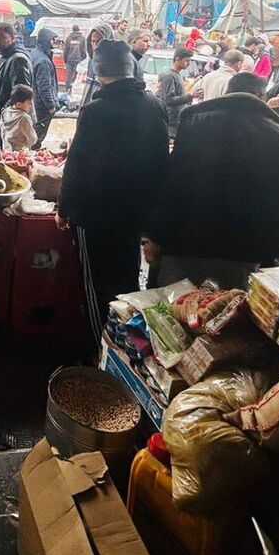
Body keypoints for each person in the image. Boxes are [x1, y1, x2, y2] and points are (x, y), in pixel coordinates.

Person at [154, 71, 279, 284]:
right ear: (260, 96)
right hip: (242, 250)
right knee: (226, 310)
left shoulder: (195, 121)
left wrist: (155, 237)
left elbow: (173, 182)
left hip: (185, 242)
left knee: (170, 307)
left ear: (228, 92)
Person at [59, 39, 170, 343]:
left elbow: (78, 162)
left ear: (99, 71)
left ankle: (101, 350)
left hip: (94, 214)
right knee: (127, 279)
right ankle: (127, 348)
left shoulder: (96, 109)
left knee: (96, 285)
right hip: (133, 214)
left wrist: (64, 206)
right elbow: (162, 163)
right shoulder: (154, 104)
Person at [0, 23, 34, 122]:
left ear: (12, 38)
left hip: (10, 122)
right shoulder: (5, 56)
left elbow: (21, 96)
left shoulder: (18, 60)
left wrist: (0, 115)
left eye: (2, 37)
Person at [155, 47, 194, 137]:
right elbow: (168, 100)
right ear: (177, 59)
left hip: (177, 120)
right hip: (171, 122)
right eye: (186, 60)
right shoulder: (169, 76)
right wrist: (189, 96)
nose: (189, 64)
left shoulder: (178, 75)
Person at [29, 29, 58, 146]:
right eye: (52, 40)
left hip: (34, 101)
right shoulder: (43, 61)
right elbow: (45, 86)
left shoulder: (34, 53)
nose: (54, 42)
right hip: (41, 105)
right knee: (37, 136)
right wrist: (51, 105)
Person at [80, 23, 114, 105]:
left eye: (99, 41)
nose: (95, 45)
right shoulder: (92, 60)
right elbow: (88, 88)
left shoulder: (114, 62)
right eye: (93, 41)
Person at [1, 84, 37, 152]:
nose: (31, 104)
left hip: (6, 149)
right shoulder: (24, 118)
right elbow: (32, 139)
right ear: (19, 104)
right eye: (29, 103)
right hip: (21, 152)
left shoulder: (5, 112)